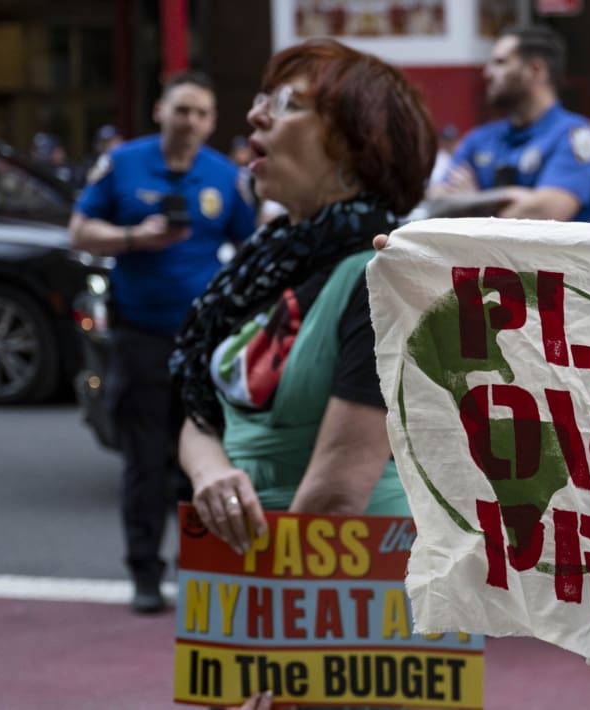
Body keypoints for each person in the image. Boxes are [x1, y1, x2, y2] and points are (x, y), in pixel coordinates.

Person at [171, 36, 435, 595]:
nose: (254, 114)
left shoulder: (383, 276)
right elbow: (202, 413)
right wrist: (210, 472)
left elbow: (337, 496)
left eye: (288, 104)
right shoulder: (270, 263)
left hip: (339, 605)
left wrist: (265, 636)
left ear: (353, 148)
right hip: (260, 580)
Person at [70, 70, 255, 614]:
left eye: (201, 114)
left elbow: (250, 248)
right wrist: (132, 237)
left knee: (200, 465)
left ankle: (195, 571)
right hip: (139, 337)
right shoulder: (124, 164)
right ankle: (145, 574)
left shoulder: (224, 175)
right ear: (160, 112)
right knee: (144, 462)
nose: (190, 122)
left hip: (203, 345)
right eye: (182, 110)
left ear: (212, 122)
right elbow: (79, 229)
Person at [426, 24, 590, 221]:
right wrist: (510, 197)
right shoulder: (480, 138)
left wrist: (470, 201)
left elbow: (544, 215)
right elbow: (436, 203)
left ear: (535, 70)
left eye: (500, 62)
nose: (488, 73)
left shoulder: (573, 136)